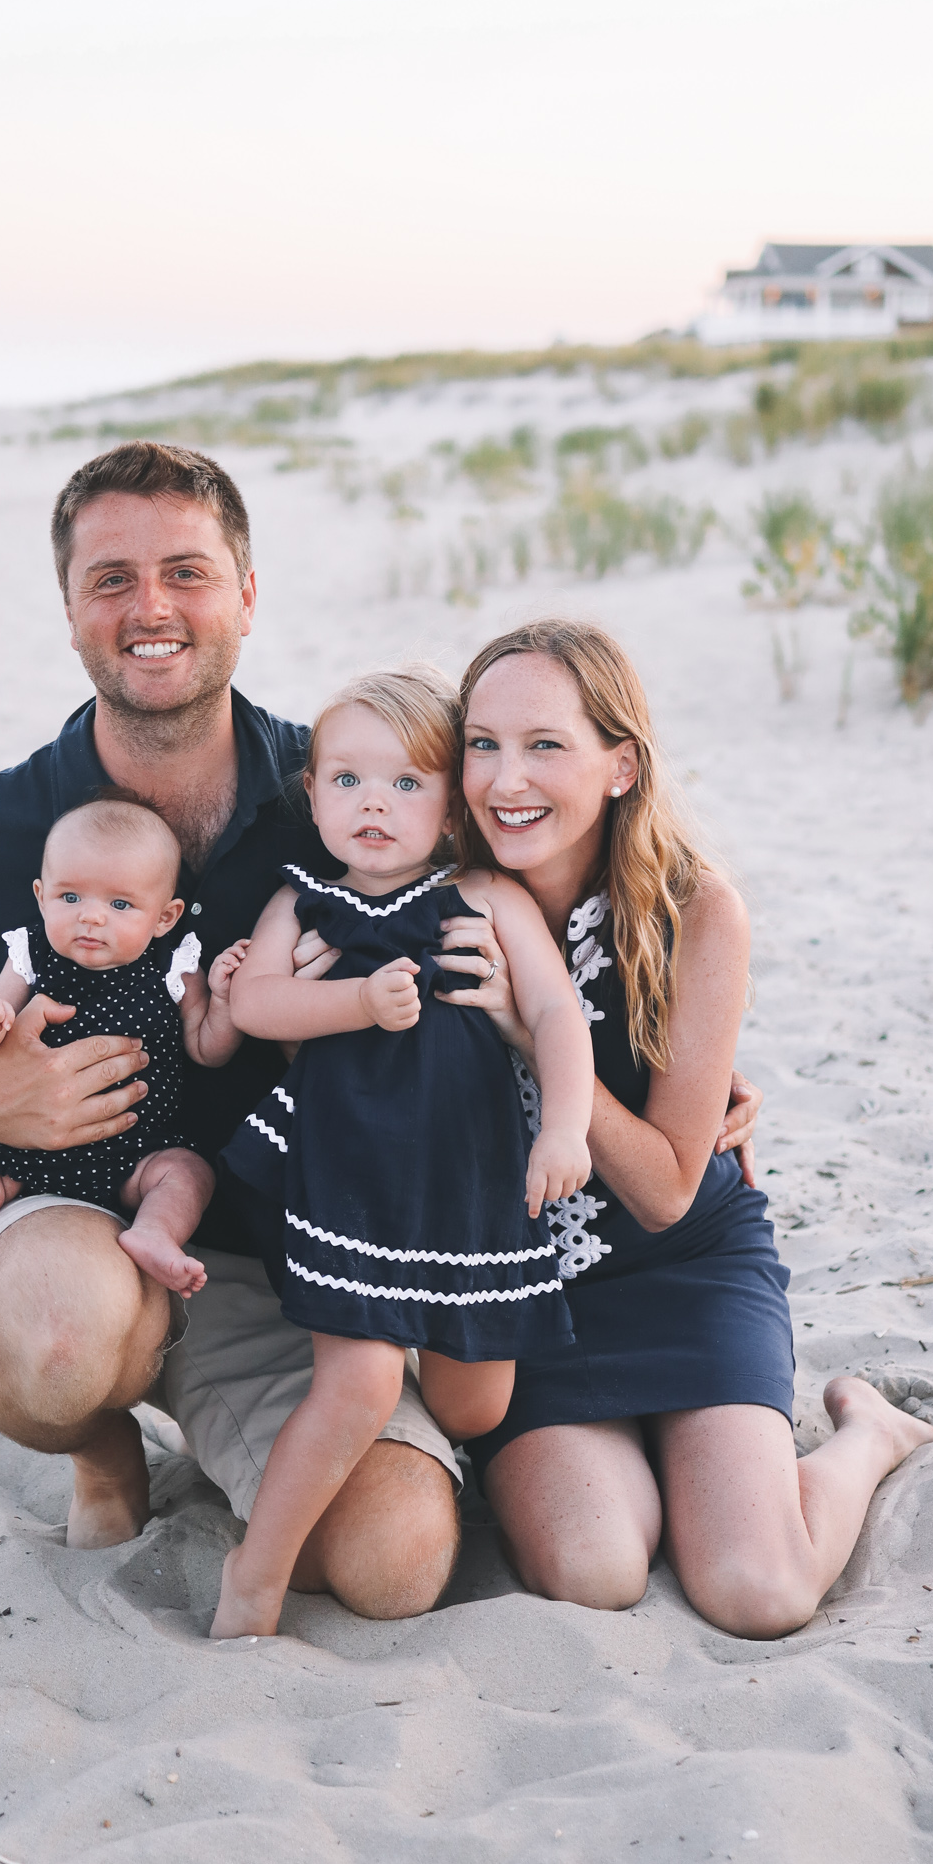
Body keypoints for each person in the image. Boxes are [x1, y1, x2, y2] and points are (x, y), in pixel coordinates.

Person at [0, 442, 467, 1614]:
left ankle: (230, 1429)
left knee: (396, 1563)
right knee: (60, 1346)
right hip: (68, 1220)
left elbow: (534, 890)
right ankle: (100, 1445)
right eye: (111, 579)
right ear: (70, 611)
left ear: (246, 594)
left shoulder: (339, 792)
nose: (152, 608)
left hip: (286, 1270)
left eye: (187, 570)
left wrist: (669, 1059)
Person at [434, 618, 933, 1639]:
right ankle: (668, 1467)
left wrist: (536, 1030)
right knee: (595, 1568)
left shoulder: (696, 911)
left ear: (621, 766)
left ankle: (869, 1436)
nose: (504, 779)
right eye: (482, 743)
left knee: (759, 1590)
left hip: (687, 1268)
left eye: (545, 745)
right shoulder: (439, 899)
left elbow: (666, 1187)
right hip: (533, 1297)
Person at [209, 666, 594, 1639]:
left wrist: (565, 1127)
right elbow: (254, 1002)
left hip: (464, 1178)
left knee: (473, 1402)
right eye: (346, 781)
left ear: (453, 806)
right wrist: (353, 1002)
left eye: (406, 783)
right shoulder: (304, 903)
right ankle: (256, 1575)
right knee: (363, 1377)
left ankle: (424, 1405)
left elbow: (555, 1011)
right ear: (312, 794)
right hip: (348, 1172)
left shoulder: (484, 896)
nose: (372, 803)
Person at [0, 796, 248, 1351]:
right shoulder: (30, 956)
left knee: (188, 1172)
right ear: (41, 896)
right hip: (22, 1151)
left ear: (164, 916)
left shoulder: (176, 965)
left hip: (134, 1151)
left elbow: (208, 1049)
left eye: (121, 905)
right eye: (70, 897)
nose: (91, 916)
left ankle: (153, 1232)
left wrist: (221, 1000)